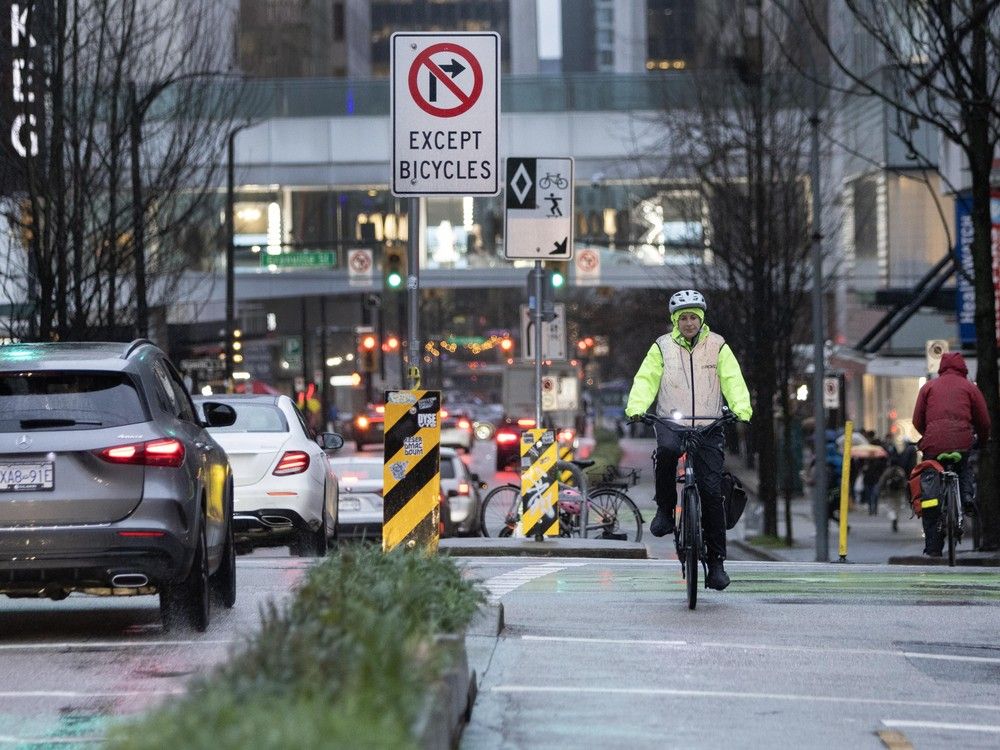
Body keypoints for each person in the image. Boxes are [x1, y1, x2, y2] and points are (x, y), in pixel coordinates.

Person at [623, 289, 753, 591]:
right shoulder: (662, 347)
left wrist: (741, 408)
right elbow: (646, 379)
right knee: (667, 452)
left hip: (709, 424)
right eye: (684, 318)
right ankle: (665, 511)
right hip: (671, 421)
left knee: (711, 492)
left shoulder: (718, 345)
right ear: (675, 321)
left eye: (694, 317)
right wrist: (637, 408)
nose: (689, 323)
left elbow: (733, 379)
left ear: (702, 319)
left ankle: (717, 563)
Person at [911, 352, 990, 556]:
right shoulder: (970, 387)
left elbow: (917, 419)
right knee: (964, 468)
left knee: (930, 488)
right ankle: (966, 497)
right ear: (963, 367)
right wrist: (981, 441)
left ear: (941, 367)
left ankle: (933, 547)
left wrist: (929, 434)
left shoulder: (928, 387)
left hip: (933, 445)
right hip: (962, 442)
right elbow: (983, 421)